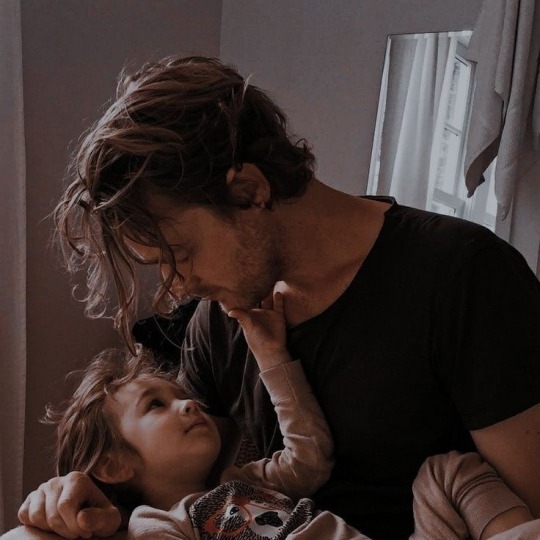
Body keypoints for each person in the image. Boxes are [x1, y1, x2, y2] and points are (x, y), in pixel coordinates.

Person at [17, 55, 540, 539]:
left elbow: (530, 509)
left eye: (181, 253)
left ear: (248, 192)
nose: (177, 288)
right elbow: (181, 489)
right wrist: (88, 497)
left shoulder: (463, 275)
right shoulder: (217, 322)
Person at [13, 294, 540, 540]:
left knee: (446, 470)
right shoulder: (158, 527)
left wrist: (270, 355)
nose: (188, 403)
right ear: (113, 465)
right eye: (156, 405)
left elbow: (310, 454)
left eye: (178, 395)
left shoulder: (245, 479)